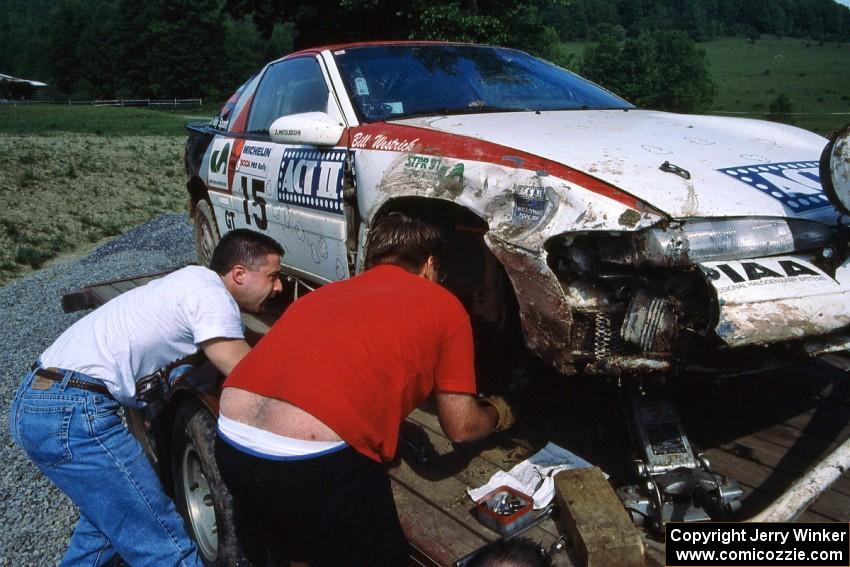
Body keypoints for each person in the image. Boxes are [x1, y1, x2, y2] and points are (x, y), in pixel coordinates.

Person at [215, 212, 516, 566]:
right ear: (430, 264)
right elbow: (461, 426)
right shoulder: (444, 305)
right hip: (309, 464)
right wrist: (500, 412)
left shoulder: (323, 295)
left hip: (230, 436)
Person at [8, 228, 283, 567]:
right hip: (73, 410)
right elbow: (248, 374)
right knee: (164, 543)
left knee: (105, 533)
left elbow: (176, 376)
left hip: (40, 402)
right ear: (239, 274)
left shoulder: (185, 285)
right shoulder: (212, 295)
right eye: (273, 276)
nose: (279, 287)